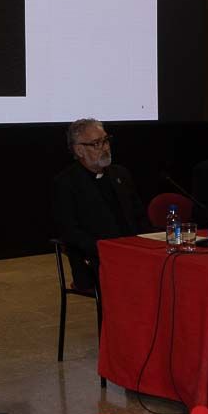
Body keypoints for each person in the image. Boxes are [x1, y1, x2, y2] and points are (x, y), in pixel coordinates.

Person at [51, 118, 150, 291]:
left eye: (106, 140)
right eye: (97, 143)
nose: (105, 147)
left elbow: (139, 216)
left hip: (132, 252)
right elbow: (70, 232)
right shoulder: (66, 183)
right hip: (94, 259)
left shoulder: (121, 174)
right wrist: (108, 249)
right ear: (79, 150)